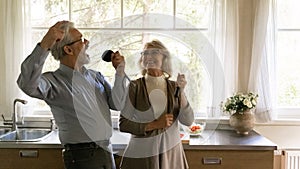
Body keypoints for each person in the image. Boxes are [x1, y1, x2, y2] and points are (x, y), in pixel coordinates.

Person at [17, 21, 128, 169]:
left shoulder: (96, 77)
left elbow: (118, 104)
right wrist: (45, 44)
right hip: (82, 156)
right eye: (81, 39)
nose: (87, 42)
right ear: (68, 50)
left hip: (106, 150)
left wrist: (120, 73)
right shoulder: (52, 82)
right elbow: (26, 84)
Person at [119, 39, 194, 169]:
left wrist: (181, 92)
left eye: (154, 52)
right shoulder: (134, 87)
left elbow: (188, 121)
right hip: (142, 156)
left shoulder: (174, 86)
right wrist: (154, 125)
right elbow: (123, 124)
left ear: (164, 58)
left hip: (170, 155)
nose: (148, 56)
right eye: (145, 53)